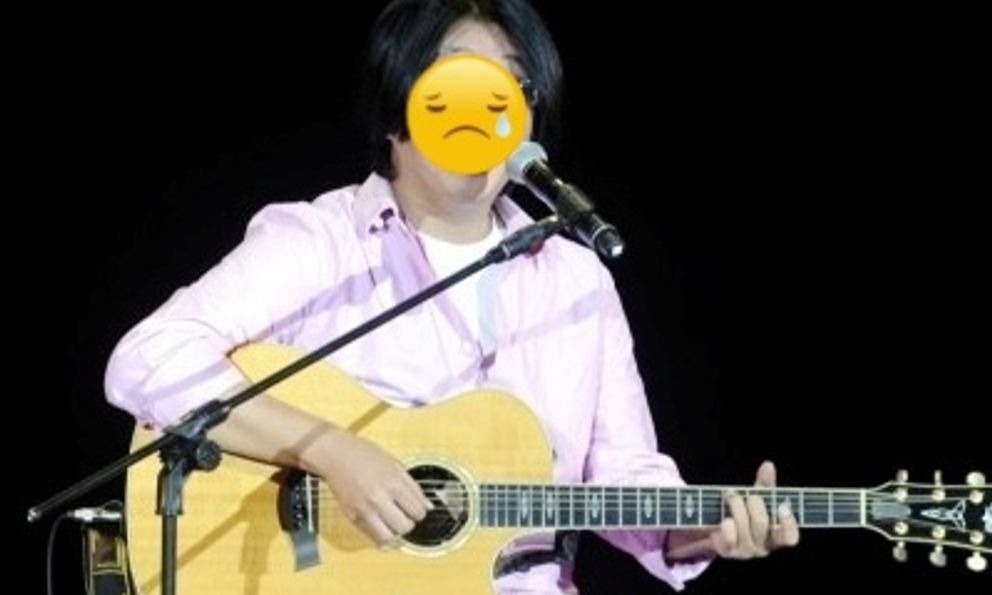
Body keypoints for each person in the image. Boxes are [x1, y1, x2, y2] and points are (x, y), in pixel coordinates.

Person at [104, 0, 799, 592]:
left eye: (511, 89)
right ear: (396, 104)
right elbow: (147, 358)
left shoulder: (576, 279)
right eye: (459, 84)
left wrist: (697, 528)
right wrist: (329, 449)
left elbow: (623, 475)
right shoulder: (322, 243)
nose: (485, 110)